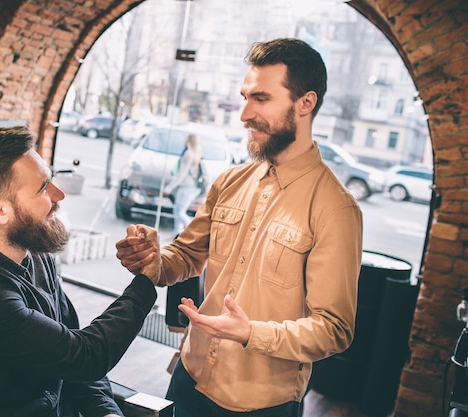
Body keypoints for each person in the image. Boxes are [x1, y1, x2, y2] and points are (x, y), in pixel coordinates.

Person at [115, 38, 363, 417]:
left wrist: (250, 333)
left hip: (260, 403)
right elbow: (183, 258)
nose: (244, 114)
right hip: (189, 375)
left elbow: (334, 329)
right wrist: (151, 258)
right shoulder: (229, 180)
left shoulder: (335, 208)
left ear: (305, 103)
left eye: (260, 99)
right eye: (245, 97)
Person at [0, 126, 160, 417]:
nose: (59, 194)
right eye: (43, 187)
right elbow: (83, 355)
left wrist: (104, 410)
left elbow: (70, 343)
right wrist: (146, 280)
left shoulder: (36, 253)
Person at [163, 133, 203, 237]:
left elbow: (182, 174)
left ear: (189, 140)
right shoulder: (196, 153)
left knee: (180, 212)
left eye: (186, 138)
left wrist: (170, 187)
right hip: (191, 187)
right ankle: (176, 234)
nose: (184, 140)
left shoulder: (188, 153)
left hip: (187, 187)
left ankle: (194, 232)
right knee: (178, 210)